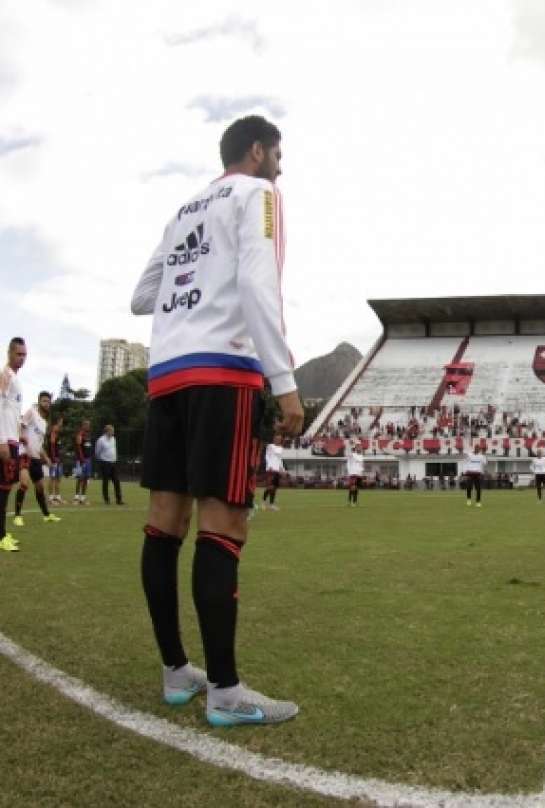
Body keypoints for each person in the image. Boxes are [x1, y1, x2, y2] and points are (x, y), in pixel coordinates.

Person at [131, 115, 302, 725]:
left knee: (163, 524)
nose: (282, 164)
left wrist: (193, 286)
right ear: (256, 151)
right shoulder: (261, 196)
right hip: (222, 371)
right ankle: (227, 694)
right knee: (224, 523)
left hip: (167, 375)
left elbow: (142, 294)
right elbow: (259, 284)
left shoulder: (185, 210)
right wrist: (284, 385)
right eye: (278, 153)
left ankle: (178, 673)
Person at [13, 391, 61, 526]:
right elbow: (20, 426)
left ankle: (46, 515)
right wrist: (21, 437)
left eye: (48, 401)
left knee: (40, 488)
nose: (47, 403)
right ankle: (17, 516)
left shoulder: (44, 423)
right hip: (24, 454)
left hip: (35, 458)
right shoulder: (31, 412)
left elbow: (39, 445)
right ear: (39, 401)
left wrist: (46, 458)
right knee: (24, 483)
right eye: (44, 401)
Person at [0, 337, 27, 552]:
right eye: (19, 354)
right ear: (10, 353)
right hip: (5, 441)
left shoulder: (16, 379)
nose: (22, 358)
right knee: (2, 489)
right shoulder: (6, 376)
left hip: (13, 440)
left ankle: (2, 533)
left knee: (7, 488)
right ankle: (0, 537)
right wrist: (2, 441)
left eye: (24, 354)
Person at [95, 424, 125, 505]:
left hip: (113, 463)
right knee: (106, 482)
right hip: (105, 463)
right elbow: (97, 452)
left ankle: (119, 499)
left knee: (116, 481)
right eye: (112, 431)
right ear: (107, 431)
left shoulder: (113, 439)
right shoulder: (101, 440)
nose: (113, 432)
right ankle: (106, 499)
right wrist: (102, 460)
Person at [74, 419, 93, 505]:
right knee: (80, 478)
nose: (88, 426)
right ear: (83, 425)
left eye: (89, 425)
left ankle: (83, 497)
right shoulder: (80, 434)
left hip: (88, 459)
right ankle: (77, 497)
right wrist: (82, 459)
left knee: (86, 478)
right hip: (81, 460)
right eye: (87, 425)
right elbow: (78, 447)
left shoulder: (88, 435)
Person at [263, 434, 285, 510]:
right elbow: (267, 456)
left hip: (277, 470)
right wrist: (269, 466)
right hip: (270, 469)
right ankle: (264, 502)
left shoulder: (281, 448)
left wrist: (283, 469)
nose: (278, 440)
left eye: (280, 439)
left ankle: (271, 505)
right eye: (277, 438)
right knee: (270, 487)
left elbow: (280, 460)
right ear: (274, 439)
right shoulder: (270, 446)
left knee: (274, 488)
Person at [47, 414, 64, 505]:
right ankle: (50, 498)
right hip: (54, 459)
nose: (62, 423)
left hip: (59, 459)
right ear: (57, 422)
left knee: (58, 478)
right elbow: (52, 447)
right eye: (61, 421)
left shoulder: (58, 433)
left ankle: (57, 497)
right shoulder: (53, 432)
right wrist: (53, 458)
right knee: (52, 478)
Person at [345, 440, 364, 507]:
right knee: (353, 488)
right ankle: (352, 502)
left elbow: (361, 465)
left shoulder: (360, 456)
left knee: (356, 489)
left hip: (359, 475)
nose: (359, 447)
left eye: (360, 446)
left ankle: (353, 502)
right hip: (353, 474)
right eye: (358, 446)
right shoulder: (351, 455)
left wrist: (361, 472)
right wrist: (349, 444)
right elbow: (348, 451)